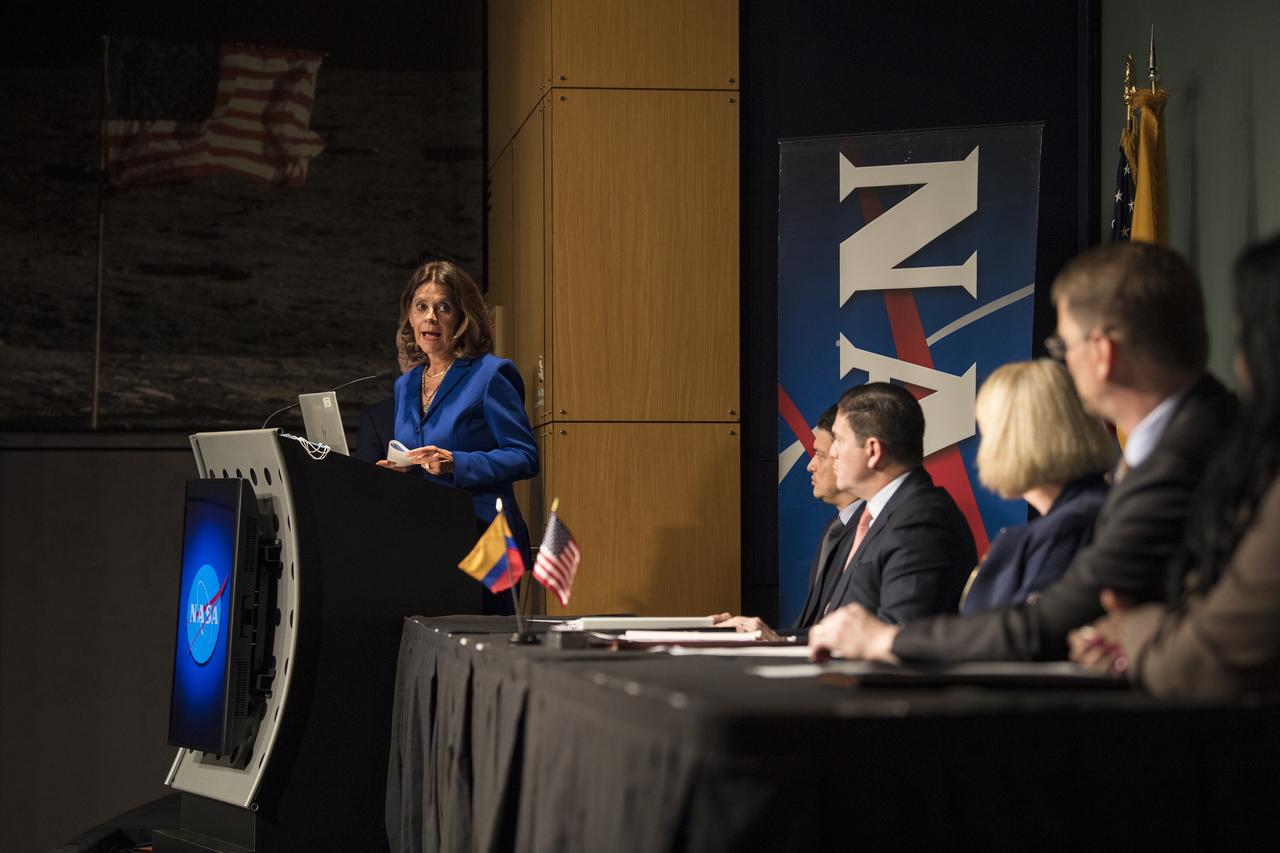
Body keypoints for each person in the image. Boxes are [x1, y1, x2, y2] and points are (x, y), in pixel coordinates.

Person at [810, 241, 1236, 664]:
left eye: (1064, 346)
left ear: (1102, 353)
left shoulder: (1180, 458)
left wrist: (887, 641)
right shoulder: (1188, 437)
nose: (1064, 364)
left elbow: (1049, 623)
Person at [1069, 234, 1280, 697]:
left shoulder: (1195, 449)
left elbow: (1208, 658)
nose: (1239, 365)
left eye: (1243, 339)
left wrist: (1131, 629)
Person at [376, 260, 539, 609]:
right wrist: (404, 468)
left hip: (488, 539)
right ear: (410, 315)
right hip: (430, 537)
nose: (430, 317)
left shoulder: (491, 374)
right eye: (421, 307)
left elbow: (525, 455)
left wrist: (456, 463)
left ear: (463, 317)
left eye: (444, 307)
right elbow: (417, 453)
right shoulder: (406, 385)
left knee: (490, 650)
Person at [959, 359, 1114, 614]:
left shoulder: (1068, 528)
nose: (983, 450)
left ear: (1017, 438)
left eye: (987, 432)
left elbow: (1021, 638)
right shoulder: (1086, 512)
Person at [817, 382, 975, 624]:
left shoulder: (921, 523)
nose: (834, 452)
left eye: (838, 440)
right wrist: (770, 640)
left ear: (873, 451)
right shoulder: (881, 515)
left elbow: (899, 639)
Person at [710, 404, 860, 640]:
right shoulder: (835, 530)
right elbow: (814, 626)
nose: (810, 466)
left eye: (819, 455)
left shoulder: (874, 529)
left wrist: (778, 641)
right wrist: (768, 638)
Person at [354, 333, 416, 464]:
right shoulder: (375, 417)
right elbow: (363, 476)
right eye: (404, 352)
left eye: (418, 352)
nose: (411, 361)